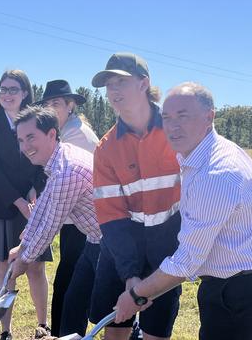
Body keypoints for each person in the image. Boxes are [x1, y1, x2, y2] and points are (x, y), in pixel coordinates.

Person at [113, 82, 252, 340]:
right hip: (228, 284)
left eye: (183, 116)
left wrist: (136, 295)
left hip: (239, 292)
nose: (172, 126)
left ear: (209, 117)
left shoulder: (216, 172)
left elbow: (188, 261)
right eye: (167, 118)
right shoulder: (198, 155)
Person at [89, 53, 182, 340]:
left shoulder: (177, 132)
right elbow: (112, 216)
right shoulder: (105, 149)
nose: (113, 91)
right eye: (108, 84)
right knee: (114, 329)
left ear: (144, 84)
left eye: (121, 82)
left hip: (166, 250)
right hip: (121, 249)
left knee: (156, 332)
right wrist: (129, 274)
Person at [0, 70, 52, 340]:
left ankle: (43, 326)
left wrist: (33, 189)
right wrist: (17, 201)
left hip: (32, 203)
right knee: (6, 266)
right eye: (3, 89)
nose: (7, 94)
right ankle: (6, 331)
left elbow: (45, 157)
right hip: (1, 205)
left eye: (13, 89)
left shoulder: (35, 121)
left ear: (25, 92)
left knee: (36, 266)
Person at [7, 106, 102, 337]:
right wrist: (23, 244)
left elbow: (50, 224)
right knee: (73, 304)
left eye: (31, 137)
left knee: (110, 312)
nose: (25, 146)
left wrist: (24, 260)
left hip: (111, 245)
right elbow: (42, 207)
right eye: (20, 140)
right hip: (95, 242)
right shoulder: (60, 159)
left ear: (51, 134)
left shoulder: (66, 170)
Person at [34, 79, 99, 336]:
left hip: (87, 221)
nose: (51, 108)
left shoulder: (76, 135)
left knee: (72, 282)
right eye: (47, 104)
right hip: (75, 219)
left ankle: (68, 333)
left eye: (56, 103)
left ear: (70, 105)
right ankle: (64, 332)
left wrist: (30, 247)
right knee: (68, 277)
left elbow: (63, 184)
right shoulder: (64, 130)